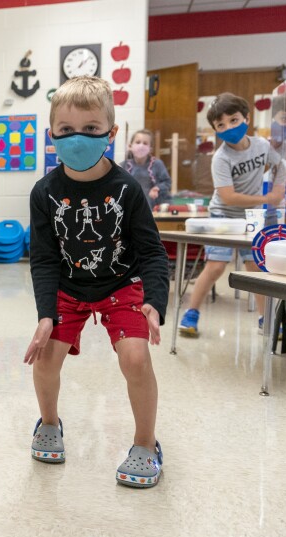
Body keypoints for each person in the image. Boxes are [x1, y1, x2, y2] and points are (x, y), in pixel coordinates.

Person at [24, 76, 169, 488]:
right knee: (45, 358)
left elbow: (153, 252)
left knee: (137, 360)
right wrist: (46, 314)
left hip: (120, 286)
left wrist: (154, 302)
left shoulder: (127, 189)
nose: (78, 139)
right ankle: (49, 422)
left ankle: (146, 444)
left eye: (90, 130)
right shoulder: (44, 192)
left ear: (111, 132)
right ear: (52, 133)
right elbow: (45, 259)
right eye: (66, 131)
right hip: (68, 288)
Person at [178, 93, 286, 337]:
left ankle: (264, 319)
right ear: (216, 130)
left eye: (234, 120)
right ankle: (191, 314)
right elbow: (228, 197)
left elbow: (279, 165)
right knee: (216, 266)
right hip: (223, 215)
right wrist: (268, 199)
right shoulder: (221, 158)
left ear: (247, 118)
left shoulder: (261, 145)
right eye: (221, 125)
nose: (229, 127)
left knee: (255, 266)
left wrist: (279, 189)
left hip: (252, 216)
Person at [122, 129, 171, 208]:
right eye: (138, 142)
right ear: (130, 146)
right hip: (133, 207)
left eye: (145, 143)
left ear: (150, 149)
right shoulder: (124, 166)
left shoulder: (157, 164)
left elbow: (167, 182)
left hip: (155, 207)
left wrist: (157, 188)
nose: (141, 146)